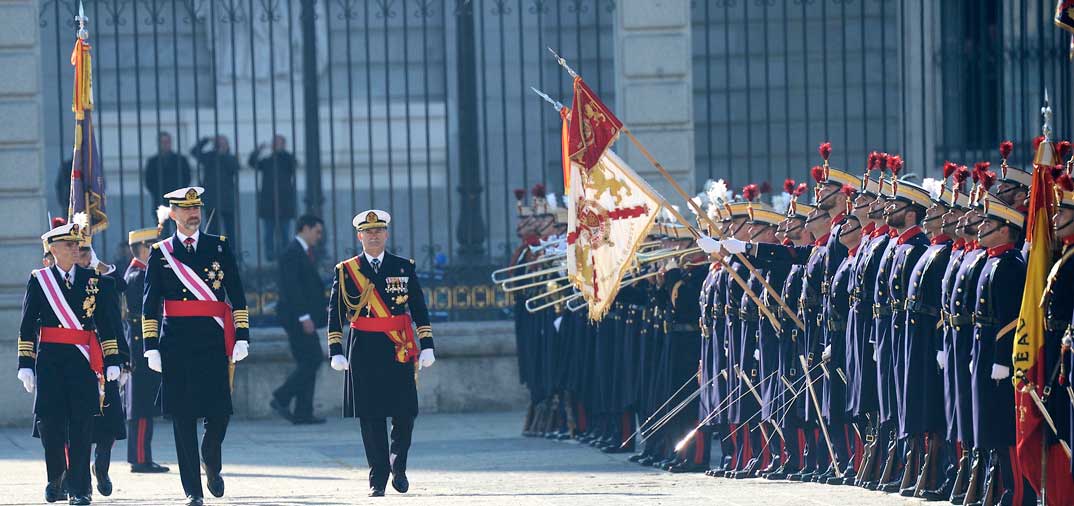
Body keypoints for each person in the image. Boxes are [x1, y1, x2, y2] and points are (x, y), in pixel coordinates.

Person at [141, 187, 250, 506]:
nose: (193, 214)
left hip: (213, 342)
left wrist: (242, 335)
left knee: (219, 414)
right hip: (175, 344)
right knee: (182, 418)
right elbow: (150, 303)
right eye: (186, 209)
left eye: (197, 208)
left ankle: (210, 459)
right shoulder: (161, 252)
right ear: (173, 214)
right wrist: (151, 346)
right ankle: (192, 490)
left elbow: (237, 293)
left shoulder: (219, 247)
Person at [327, 209, 436, 497]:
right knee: (370, 415)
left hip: (398, 346)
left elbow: (419, 309)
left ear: (386, 234)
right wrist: (336, 350)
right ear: (359, 236)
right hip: (363, 347)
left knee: (405, 412)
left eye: (379, 231)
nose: (374, 235)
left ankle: (397, 463)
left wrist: (427, 345)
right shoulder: (346, 269)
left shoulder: (404, 267)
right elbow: (335, 312)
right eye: (368, 231)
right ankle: (378, 476)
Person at [17, 219, 124, 505]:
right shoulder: (39, 280)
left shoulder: (93, 280)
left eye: (77, 244)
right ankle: (57, 477)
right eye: (69, 244)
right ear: (53, 249)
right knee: (50, 425)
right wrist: (25, 363)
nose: (76, 248)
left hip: (82, 361)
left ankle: (80, 489)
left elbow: (106, 323)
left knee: (82, 425)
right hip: (50, 361)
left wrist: (113, 358)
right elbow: (27, 325)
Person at [75, 242, 130, 499]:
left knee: (110, 422)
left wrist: (123, 359)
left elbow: (121, 289)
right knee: (80, 424)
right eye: (78, 251)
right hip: (77, 359)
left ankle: (102, 466)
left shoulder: (102, 280)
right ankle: (81, 484)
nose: (83, 257)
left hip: (106, 356)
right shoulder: (64, 282)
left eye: (86, 252)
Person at [270, 214, 328, 425]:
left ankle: (304, 412)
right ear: (305, 228)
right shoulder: (292, 253)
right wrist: (304, 317)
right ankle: (281, 397)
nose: (319, 237)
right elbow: (291, 289)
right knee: (312, 359)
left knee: (308, 361)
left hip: (304, 317)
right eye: (317, 231)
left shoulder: (303, 252)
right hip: (297, 318)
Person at [124, 223, 169, 474]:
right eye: (152, 246)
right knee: (140, 406)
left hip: (141, 344)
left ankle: (142, 456)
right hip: (140, 345)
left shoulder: (141, 273)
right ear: (141, 248)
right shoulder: (138, 275)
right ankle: (140, 458)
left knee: (143, 405)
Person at [247, 135, 298, 261]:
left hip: (284, 203)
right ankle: (270, 257)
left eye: (279, 143)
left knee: (285, 233)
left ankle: (286, 257)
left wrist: (282, 151)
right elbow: (252, 162)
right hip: (268, 204)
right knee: (268, 234)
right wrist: (258, 150)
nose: (276, 145)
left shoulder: (286, 159)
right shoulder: (268, 161)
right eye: (275, 143)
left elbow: (294, 164)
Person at [190, 135, 241, 243]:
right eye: (219, 144)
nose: (222, 146)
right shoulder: (209, 156)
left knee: (230, 230)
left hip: (227, 200)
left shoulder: (231, 158)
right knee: (213, 231)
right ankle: (214, 254)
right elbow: (194, 151)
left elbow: (235, 168)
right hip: (211, 200)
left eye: (224, 144)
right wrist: (206, 139)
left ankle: (231, 253)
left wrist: (223, 154)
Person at [144, 132, 193, 205]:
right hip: (159, 199)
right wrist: (157, 193)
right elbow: (148, 180)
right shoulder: (152, 161)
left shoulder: (181, 159)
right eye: (163, 142)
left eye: (167, 142)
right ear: (158, 143)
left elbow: (187, 177)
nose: (165, 144)